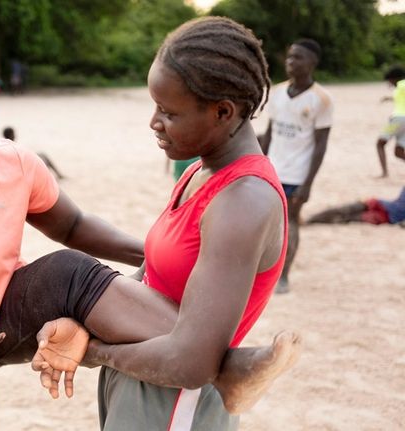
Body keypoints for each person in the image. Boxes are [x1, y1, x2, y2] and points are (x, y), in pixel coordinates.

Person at [0, 32, 299, 431]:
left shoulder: (11, 164)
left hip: (10, 313)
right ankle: (222, 362)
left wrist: (152, 256)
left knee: (67, 273)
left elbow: (72, 226)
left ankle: (214, 361)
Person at [31, 17, 298, 430]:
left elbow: (190, 364)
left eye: (168, 112)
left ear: (222, 112)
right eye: (155, 106)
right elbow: (150, 278)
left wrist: (96, 351)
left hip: (173, 399)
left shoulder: (244, 201)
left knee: (71, 271)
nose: (154, 122)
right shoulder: (199, 173)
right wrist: (82, 326)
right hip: (141, 374)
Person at [259, 38, 333, 294]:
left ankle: (284, 277)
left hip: (297, 175)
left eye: (298, 57)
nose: (291, 62)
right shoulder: (277, 92)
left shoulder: (321, 99)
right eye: (290, 56)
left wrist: (308, 183)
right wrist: (259, 164)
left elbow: (321, 145)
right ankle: (263, 273)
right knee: (264, 223)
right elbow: (269, 133)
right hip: (271, 170)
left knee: (290, 223)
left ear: (312, 62)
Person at [307, 186, 405, 226]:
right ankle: (312, 219)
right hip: (386, 212)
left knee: (346, 213)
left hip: (386, 214)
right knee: (346, 214)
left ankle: (312, 219)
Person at [376, 66, 405, 178]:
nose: (389, 83)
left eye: (390, 80)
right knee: (398, 152)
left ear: (395, 78)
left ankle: (384, 173)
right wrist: (388, 98)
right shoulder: (399, 87)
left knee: (380, 143)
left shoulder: (402, 84)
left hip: (397, 120)